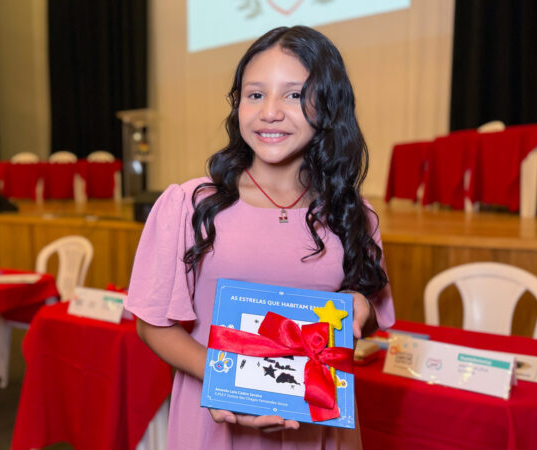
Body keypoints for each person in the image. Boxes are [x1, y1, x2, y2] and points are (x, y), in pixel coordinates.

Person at [124, 25, 395, 449]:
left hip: (318, 427)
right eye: (255, 94)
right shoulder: (190, 204)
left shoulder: (354, 215)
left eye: (293, 94)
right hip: (215, 425)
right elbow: (152, 325)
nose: (270, 111)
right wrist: (228, 379)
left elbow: (370, 313)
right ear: (237, 106)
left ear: (328, 106)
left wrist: (360, 305)